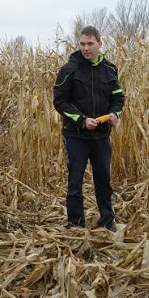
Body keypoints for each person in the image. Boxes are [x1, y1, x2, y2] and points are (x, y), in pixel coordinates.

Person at [53, 26, 124, 231]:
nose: (86, 48)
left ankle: (107, 222)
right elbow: (60, 101)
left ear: (100, 44)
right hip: (76, 136)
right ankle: (76, 224)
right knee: (75, 182)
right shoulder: (69, 70)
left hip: (102, 136)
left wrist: (115, 114)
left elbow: (118, 97)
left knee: (104, 180)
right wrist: (82, 120)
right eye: (82, 44)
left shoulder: (110, 69)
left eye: (90, 44)